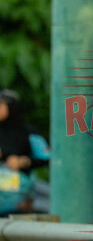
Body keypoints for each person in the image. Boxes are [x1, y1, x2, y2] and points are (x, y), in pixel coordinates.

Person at [0, 89, 49, 217]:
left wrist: (23, 162)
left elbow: (47, 157)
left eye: (1, 105)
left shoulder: (27, 133)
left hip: (17, 192)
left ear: (12, 107)